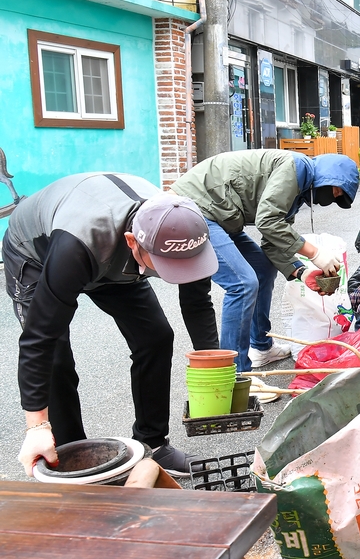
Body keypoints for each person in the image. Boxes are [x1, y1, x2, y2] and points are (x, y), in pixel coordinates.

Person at [3, 175, 220, 477]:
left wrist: (215, 366)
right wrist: (37, 425)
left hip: (114, 259)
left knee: (155, 337)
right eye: (168, 264)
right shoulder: (77, 245)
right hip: (38, 255)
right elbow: (40, 339)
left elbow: (197, 302)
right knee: (56, 357)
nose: (181, 272)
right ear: (133, 242)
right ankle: (70, 458)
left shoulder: (186, 232)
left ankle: (153, 445)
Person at [171, 149, 359, 376]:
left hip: (218, 215)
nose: (334, 197)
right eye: (336, 191)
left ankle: (261, 347)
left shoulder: (299, 190)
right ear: (329, 177)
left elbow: (273, 239)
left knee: (262, 268)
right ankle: (236, 374)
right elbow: (268, 221)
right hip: (194, 211)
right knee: (242, 284)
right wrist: (314, 253)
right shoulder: (297, 167)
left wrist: (301, 272)